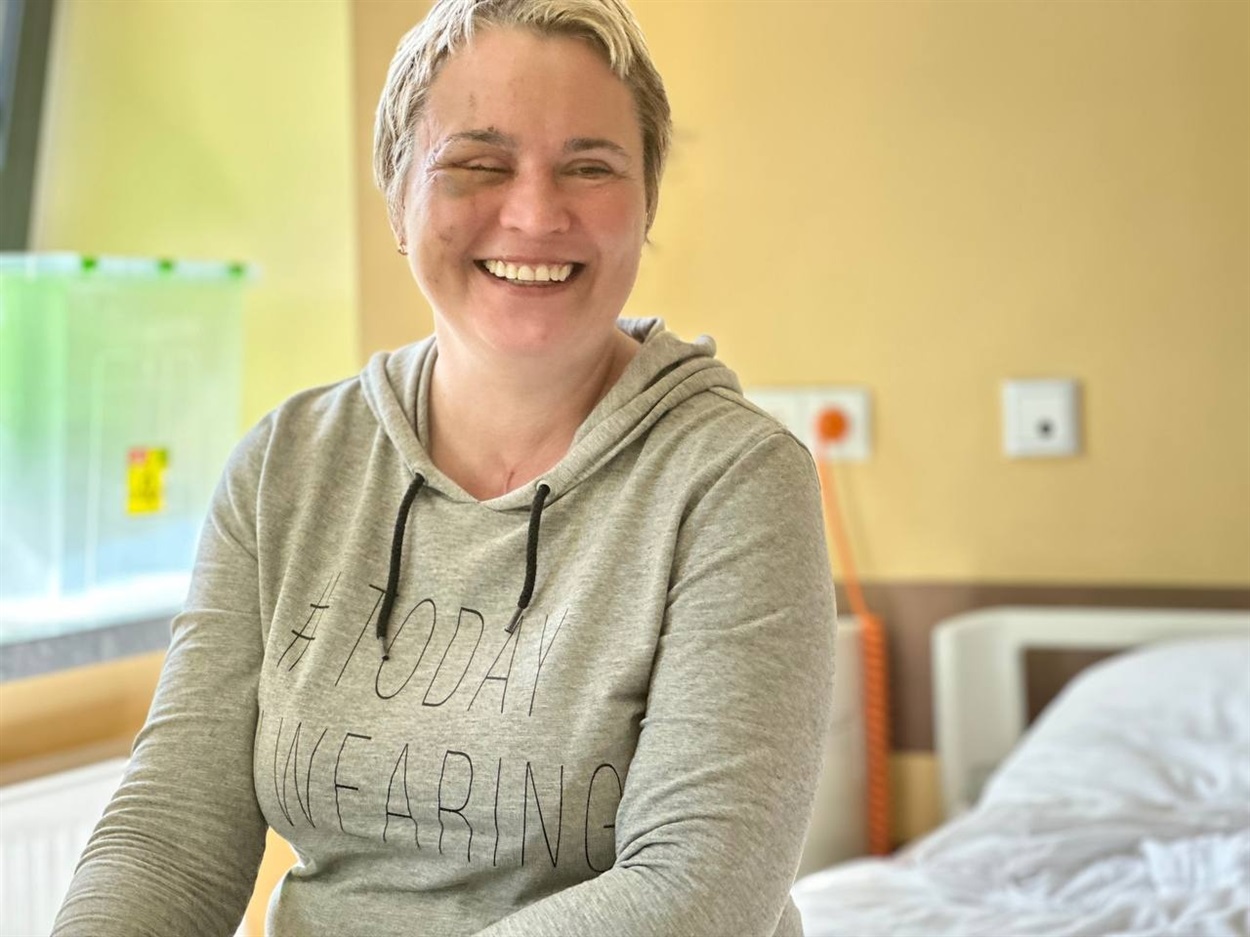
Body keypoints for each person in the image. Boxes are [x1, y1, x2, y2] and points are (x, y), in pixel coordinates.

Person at [53, 1, 836, 934]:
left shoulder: (736, 482)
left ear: (646, 203)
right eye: (478, 164)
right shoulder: (286, 467)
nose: (535, 213)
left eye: (590, 167)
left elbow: (696, 891)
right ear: (397, 198)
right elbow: (171, 836)